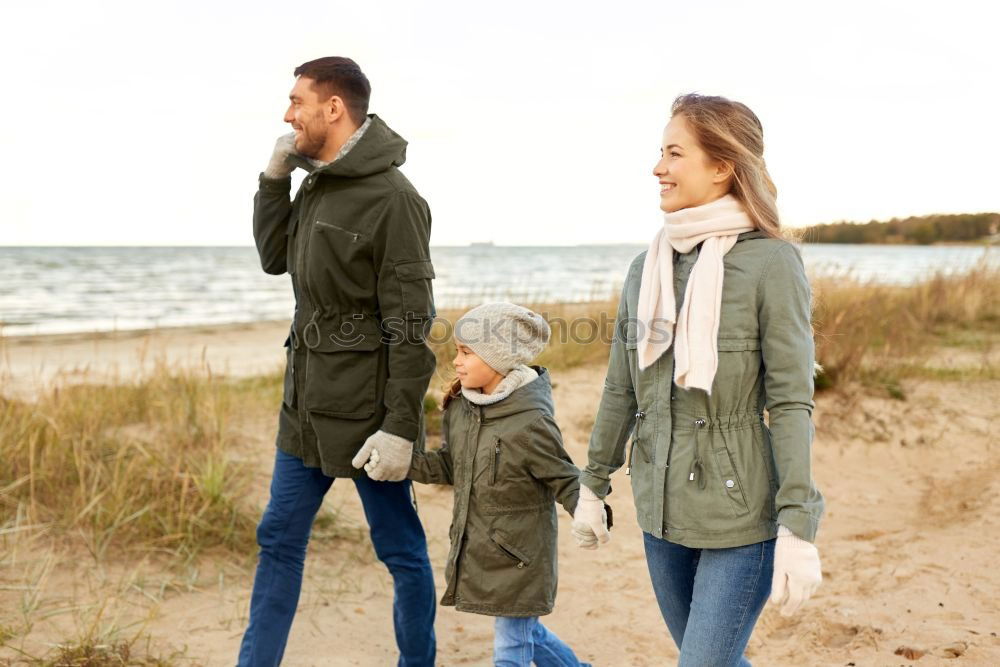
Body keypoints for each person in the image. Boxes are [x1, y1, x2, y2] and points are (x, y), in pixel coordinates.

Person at [570, 93, 825, 666]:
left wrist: (799, 527)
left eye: (674, 153)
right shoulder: (647, 267)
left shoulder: (771, 264)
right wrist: (594, 483)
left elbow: (790, 402)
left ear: (721, 166)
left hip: (741, 512)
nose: (658, 168)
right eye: (660, 153)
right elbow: (621, 388)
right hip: (659, 503)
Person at [240, 56, 437, 666]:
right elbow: (276, 257)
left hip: (365, 422)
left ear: (334, 108)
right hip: (301, 412)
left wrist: (401, 426)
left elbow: (411, 326)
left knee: (399, 550)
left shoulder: (395, 201)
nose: (286, 113)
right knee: (278, 540)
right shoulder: (313, 181)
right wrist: (274, 181)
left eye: (297, 101)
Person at [362, 303, 593, 667]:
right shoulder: (461, 409)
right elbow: (453, 466)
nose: (456, 361)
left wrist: (589, 511)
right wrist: (405, 462)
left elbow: (565, 477)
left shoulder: (531, 422)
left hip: (522, 558)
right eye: (457, 351)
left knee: (510, 650)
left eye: (467, 352)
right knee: (527, 634)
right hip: (485, 548)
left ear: (499, 358)